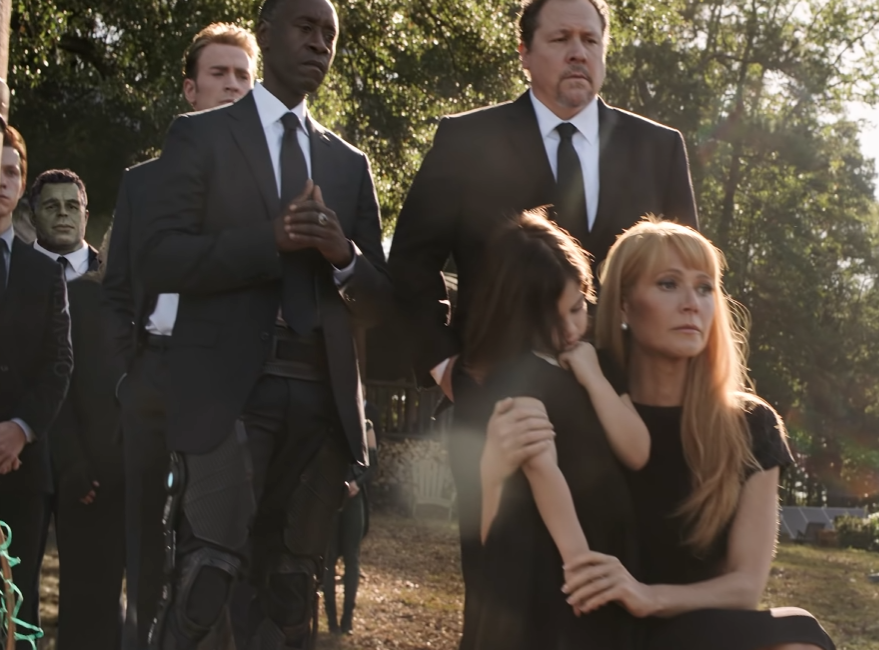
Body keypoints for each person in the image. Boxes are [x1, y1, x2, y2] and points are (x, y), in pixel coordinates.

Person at [137, 0, 391, 644]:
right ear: (266, 34)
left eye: (330, 34)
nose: (320, 44)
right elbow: (158, 257)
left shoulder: (348, 163)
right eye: (306, 28)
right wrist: (268, 240)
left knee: (289, 597)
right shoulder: (200, 136)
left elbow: (381, 303)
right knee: (204, 587)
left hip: (320, 401)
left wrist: (343, 256)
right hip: (227, 395)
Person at [388, 0, 699, 406]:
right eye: (560, 39)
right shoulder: (466, 140)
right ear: (525, 53)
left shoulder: (659, 148)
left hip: (631, 404)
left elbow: (690, 274)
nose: (578, 52)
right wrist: (445, 367)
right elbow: (410, 264)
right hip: (495, 402)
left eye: (590, 40)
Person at [561, 219, 834, 650]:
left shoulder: (751, 425)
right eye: (668, 284)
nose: (692, 304)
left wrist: (648, 597)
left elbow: (745, 586)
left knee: (799, 634)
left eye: (705, 288)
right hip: (590, 629)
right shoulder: (582, 406)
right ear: (624, 306)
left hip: (694, 631)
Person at [101, 23, 258, 648]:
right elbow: (116, 290)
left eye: (243, 76)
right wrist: (129, 374)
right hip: (153, 377)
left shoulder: (267, 186)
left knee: (217, 553)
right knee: (145, 546)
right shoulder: (142, 182)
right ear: (191, 90)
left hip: (230, 384)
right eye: (219, 74)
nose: (232, 85)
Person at [451, 211, 647, 649]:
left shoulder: (599, 362)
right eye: (553, 320)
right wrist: (577, 558)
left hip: (611, 551)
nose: (572, 329)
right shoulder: (518, 378)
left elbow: (637, 450)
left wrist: (593, 378)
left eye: (577, 308)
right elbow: (542, 469)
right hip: (555, 564)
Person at [31, 169, 125, 649]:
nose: (64, 214)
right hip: (22, 457)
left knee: (94, 601)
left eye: (73, 206)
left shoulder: (117, 282)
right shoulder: (13, 271)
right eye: (52, 205)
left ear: (87, 215)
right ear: (33, 214)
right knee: (14, 593)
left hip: (99, 468)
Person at [0, 123, 73, 634]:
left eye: (10, 171)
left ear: (22, 183)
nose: (1, 181)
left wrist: (20, 429)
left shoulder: (46, 272)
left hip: (23, 469)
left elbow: (60, 362)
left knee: (16, 613)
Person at [321, 420, 377, 635]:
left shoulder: (366, 426)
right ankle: (332, 621)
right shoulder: (329, 420)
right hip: (331, 498)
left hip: (354, 499)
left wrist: (357, 483)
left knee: (352, 559)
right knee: (329, 558)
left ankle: (347, 621)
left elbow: (373, 465)